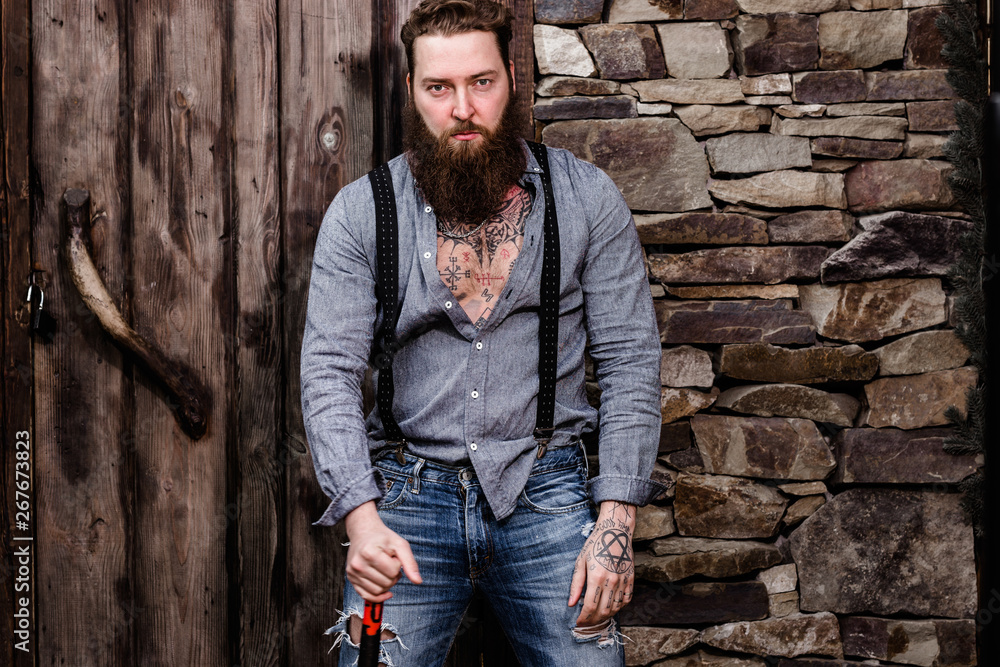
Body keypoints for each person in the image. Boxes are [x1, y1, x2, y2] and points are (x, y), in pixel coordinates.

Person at [299, 1, 667, 664]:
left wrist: (615, 520)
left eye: (481, 82)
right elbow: (328, 372)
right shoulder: (362, 212)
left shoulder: (587, 198)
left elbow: (630, 363)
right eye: (439, 87)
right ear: (412, 93)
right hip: (405, 497)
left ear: (512, 81)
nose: (462, 107)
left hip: (548, 487)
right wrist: (361, 517)